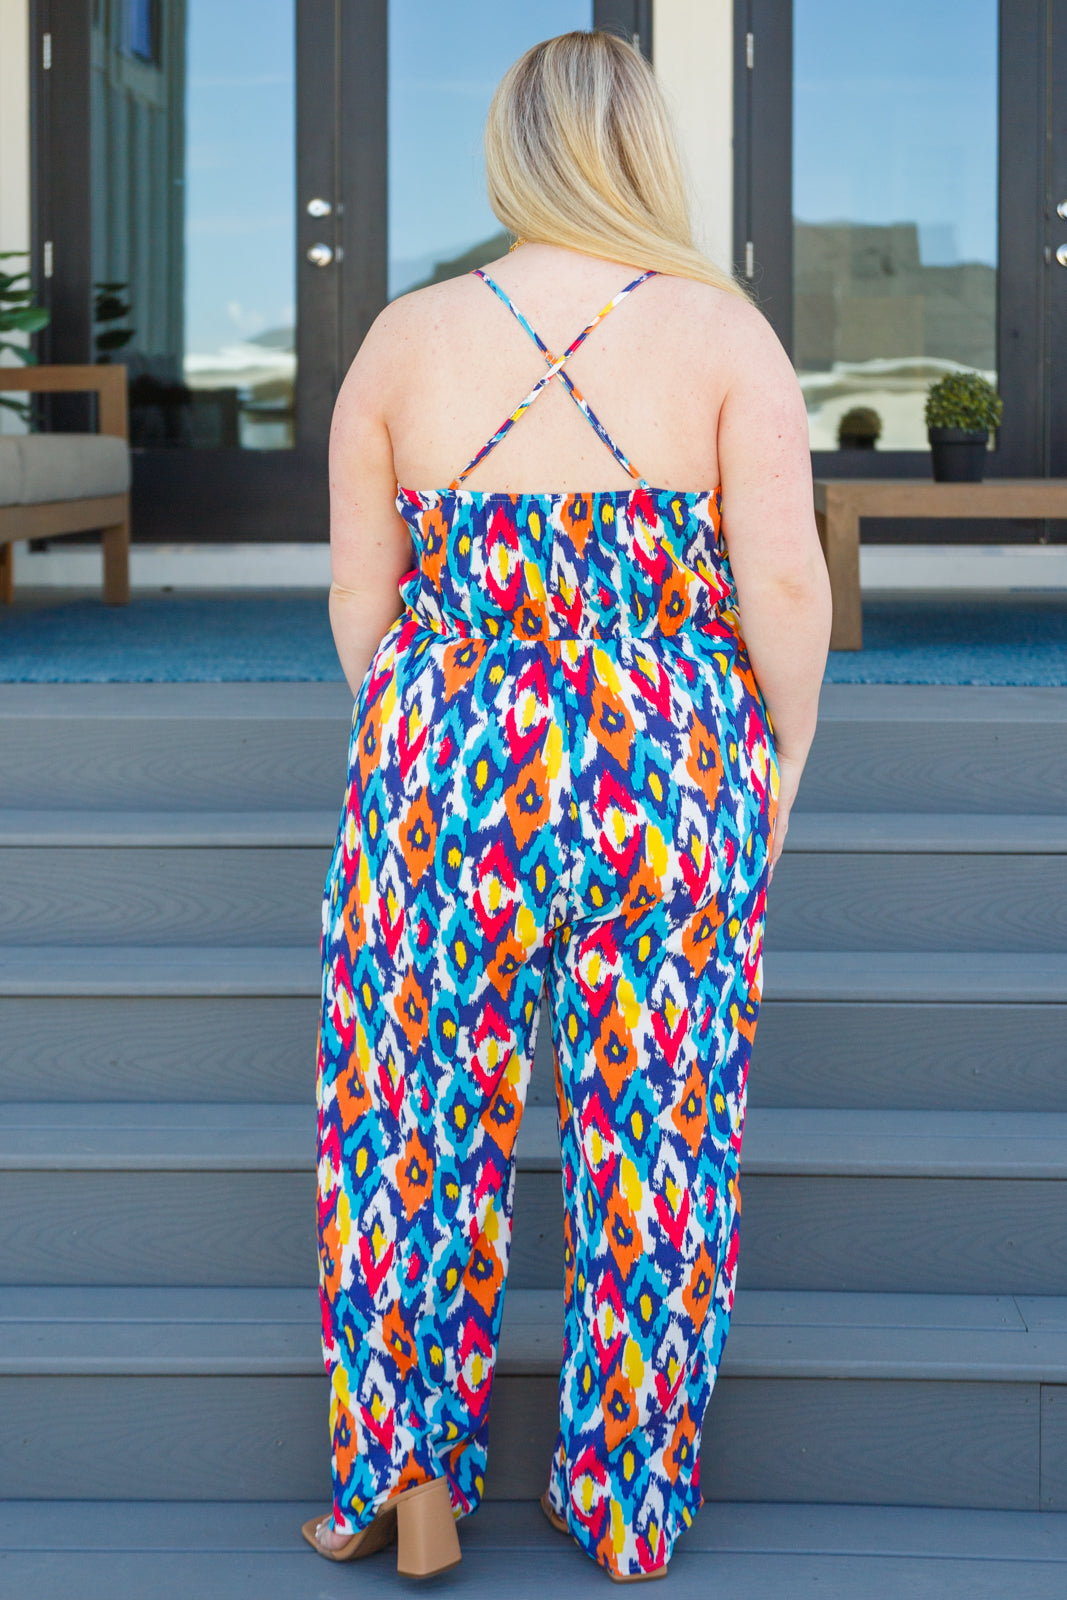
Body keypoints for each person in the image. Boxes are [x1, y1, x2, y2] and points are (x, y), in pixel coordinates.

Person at [306, 28, 831, 1584]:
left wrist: (428, 733)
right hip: (663, 769)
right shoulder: (725, 337)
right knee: (656, 1133)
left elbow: (358, 599)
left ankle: (405, 1474)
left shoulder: (401, 339)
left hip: (444, 760)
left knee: (409, 1116)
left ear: (509, 152)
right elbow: (786, 586)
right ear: (644, 149)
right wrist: (780, 760)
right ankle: (624, 1499)